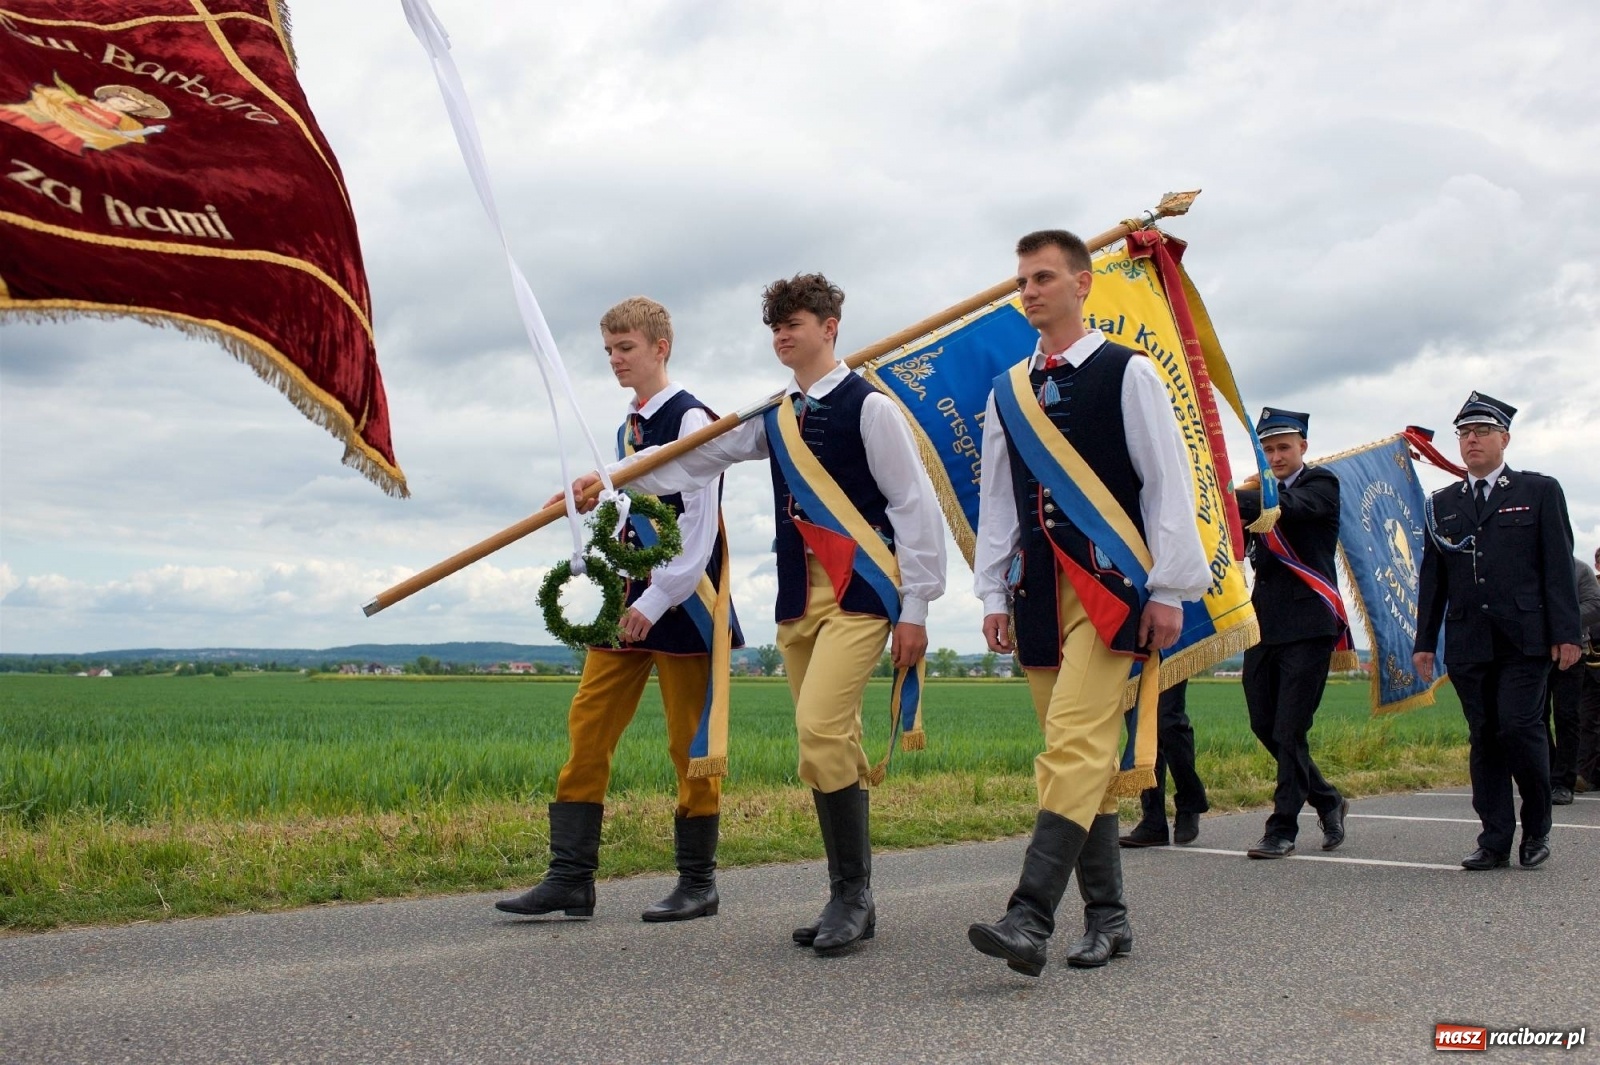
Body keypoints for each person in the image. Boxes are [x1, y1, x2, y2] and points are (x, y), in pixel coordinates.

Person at [573, 274, 947, 954]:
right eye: (775, 324)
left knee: (819, 729)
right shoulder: (773, 415)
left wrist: (917, 605)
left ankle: (852, 898)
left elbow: (914, 506)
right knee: (828, 741)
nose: (782, 334)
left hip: (861, 592)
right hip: (798, 601)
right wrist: (612, 477)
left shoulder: (872, 409)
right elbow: (690, 459)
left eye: (794, 323)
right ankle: (851, 893)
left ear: (830, 328)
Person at [967, 229, 1210, 977]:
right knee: (1081, 762)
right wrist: (992, 589)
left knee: (1071, 745)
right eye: (1022, 281)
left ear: (1084, 283)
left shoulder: (1128, 372)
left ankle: (1030, 913)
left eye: (1043, 277)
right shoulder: (1008, 389)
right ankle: (1109, 918)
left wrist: (1169, 587)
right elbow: (998, 500)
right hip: (1038, 588)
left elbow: (1167, 480)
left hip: (1112, 590)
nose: (1029, 291)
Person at [497, 297, 742, 922]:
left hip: (685, 601)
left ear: (661, 347)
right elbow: (633, 509)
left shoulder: (693, 420)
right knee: (589, 726)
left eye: (625, 347)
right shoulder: (627, 427)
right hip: (630, 594)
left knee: (691, 745)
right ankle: (570, 879)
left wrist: (659, 600)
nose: (614, 360)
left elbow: (698, 525)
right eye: (608, 350)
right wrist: (591, 499)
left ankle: (698, 882)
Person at [1414, 392, 1582, 870]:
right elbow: (1434, 578)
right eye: (1465, 433)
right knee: (1484, 734)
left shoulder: (1538, 491)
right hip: (1469, 639)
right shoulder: (1441, 504)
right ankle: (1494, 839)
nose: (1472, 440)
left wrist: (1567, 633)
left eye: (1482, 431)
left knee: (1519, 727)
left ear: (1504, 438)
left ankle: (1537, 828)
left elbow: (1557, 568)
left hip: (1525, 637)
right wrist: (1426, 641)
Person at [1233, 408, 1350, 859]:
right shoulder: (1253, 491)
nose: (1277, 455)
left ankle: (1282, 827)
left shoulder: (1321, 484)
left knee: (1290, 728)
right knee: (1264, 724)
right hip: (1264, 625)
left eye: (1284, 447)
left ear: (1302, 448)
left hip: (1309, 625)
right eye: (1268, 449)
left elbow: (1289, 508)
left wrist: (1227, 492)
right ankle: (1326, 797)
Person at [1118, 680, 1209, 847]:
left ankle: (1190, 802)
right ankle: (1153, 821)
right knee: (1140, 725)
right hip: (1132, 659)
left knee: (1168, 721)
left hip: (1167, 655)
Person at [1546, 557, 1600, 804]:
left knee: (1568, 716)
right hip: (1532, 653)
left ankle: (1563, 780)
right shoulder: (1528, 567)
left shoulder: (1580, 570)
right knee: (1533, 718)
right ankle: (1547, 772)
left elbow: (1595, 605)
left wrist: (1562, 618)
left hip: (1572, 651)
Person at [1563, 551, 1600, 794]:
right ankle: (1585, 774)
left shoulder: (1585, 577)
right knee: (1588, 719)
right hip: (1591, 660)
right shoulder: (1591, 581)